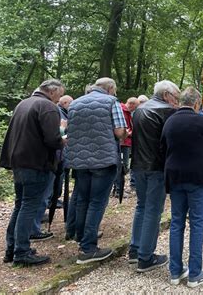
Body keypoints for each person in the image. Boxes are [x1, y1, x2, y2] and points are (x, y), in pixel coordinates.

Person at [0, 79, 65, 266]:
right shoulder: (47, 106)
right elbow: (52, 139)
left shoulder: (24, 103)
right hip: (36, 163)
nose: (59, 99)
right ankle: (22, 252)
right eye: (59, 95)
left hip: (18, 161)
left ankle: (12, 249)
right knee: (29, 206)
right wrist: (63, 141)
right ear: (52, 92)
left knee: (20, 205)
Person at [161, 86, 203, 288]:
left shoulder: (169, 121)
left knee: (176, 223)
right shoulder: (201, 121)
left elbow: (163, 149)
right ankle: (195, 274)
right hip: (197, 178)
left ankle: (175, 272)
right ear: (196, 103)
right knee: (197, 224)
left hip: (174, 177)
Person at [66, 77, 128, 264]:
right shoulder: (111, 102)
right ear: (110, 89)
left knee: (82, 200)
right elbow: (119, 131)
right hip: (103, 159)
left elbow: (70, 131)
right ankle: (88, 248)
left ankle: (81, 238)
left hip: (79, 161)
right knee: (97, 202)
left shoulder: (75, 104)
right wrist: (126, 133)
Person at [128, 80, 180, 272]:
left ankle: (135, 249)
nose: (176, 101)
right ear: (166, 95)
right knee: (153, 210)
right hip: (157, 166)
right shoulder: (168, 111)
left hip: (138, 165)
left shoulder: (140, 109)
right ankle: (145, 257)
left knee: (141, 206)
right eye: (175, 97)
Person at [115, 97, 139, 195]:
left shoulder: (125, 111)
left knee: (123, 166)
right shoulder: (122, 111)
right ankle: (118, 190)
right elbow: (120, 128)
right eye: (136, 107)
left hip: (125, 142)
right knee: (122, 166)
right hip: (123, 143)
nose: (136, 109)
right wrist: (129, 133)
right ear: (131, 104)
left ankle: (118, 189)